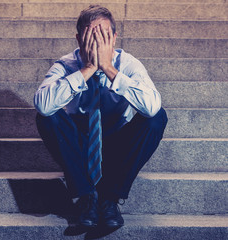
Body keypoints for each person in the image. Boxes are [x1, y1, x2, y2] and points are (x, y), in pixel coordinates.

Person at [34, 5, 167, 229]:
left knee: (156, 118)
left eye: (104, 35)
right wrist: (87, 69)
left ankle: (110, 200)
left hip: (117, 143)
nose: (97, 42)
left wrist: (108, 69)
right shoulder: (66, 64)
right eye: (90, 35)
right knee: (46, 116)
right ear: (79, 38)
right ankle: (87, 197)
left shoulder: (128, 64)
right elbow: (43, 106)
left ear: (114, 38)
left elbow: (152, 107)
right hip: (81, 146)